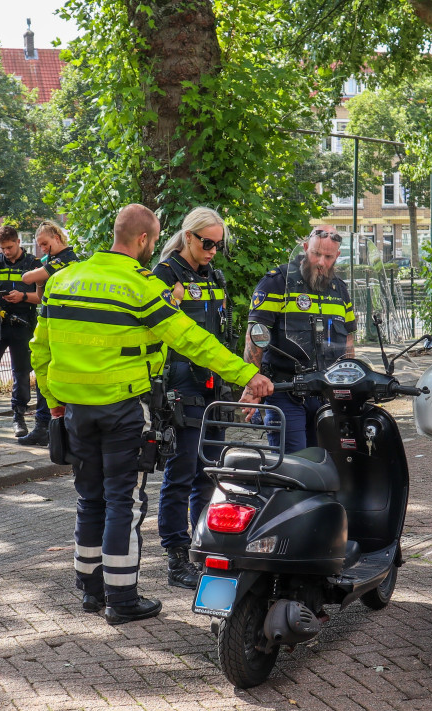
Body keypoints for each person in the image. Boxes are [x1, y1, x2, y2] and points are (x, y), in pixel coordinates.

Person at [30, 203, 273, 625]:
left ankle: (90, 591)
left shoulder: (63, 280)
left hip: (75, 412)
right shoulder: (142, 287)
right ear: (143, 240)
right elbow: (192, 340)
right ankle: (121, 598)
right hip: (124, 410)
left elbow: (40, 349)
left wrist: (54, 402)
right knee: (124, 501)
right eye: (154, 240)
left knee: (90, 499)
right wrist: (247, 374)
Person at [151, 206, 233, 589]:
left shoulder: (213, 275)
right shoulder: (165, 275)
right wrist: (172, 303)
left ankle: (202, 547)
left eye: (218, 244)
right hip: (181, 386)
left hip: (213, 386)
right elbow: (152, 330)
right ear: (188, 237)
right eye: (207, 242)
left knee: (207, 473)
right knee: (181, 473)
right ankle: (176, 556)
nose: (213, 249)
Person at [246, 226, 355, 452]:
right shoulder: (277, 282)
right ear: (305, 248)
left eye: (328, 256)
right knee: (292, 464)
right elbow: (255, 336)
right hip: (285, 390)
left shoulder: (340, 290)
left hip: (325, 393)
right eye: (316, 253)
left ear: (337, 256)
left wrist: (349, 385)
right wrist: (251, 385)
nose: (321, 262)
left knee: (325, 463)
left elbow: (348, 342)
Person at [18, 220, 79, 446]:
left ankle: (47, 425)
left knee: (48, 374)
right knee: (45, 375)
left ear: (57, 237)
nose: (43, 249)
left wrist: (38, 270)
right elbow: (40, 295)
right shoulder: (54, 261)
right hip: (52, 320)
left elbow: (27, 279)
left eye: (45, 244)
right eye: (40, 246)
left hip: (61, 324)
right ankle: (46, 425)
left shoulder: (66, 259)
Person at [0, 225, 46, 439]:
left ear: (18, 242)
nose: (6, 252)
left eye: (9, 247)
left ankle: (19, 416)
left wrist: (22, 297)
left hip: (23, 323)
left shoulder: (33, 264)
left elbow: (41, 296)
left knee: (21, 372)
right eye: (3, 248)